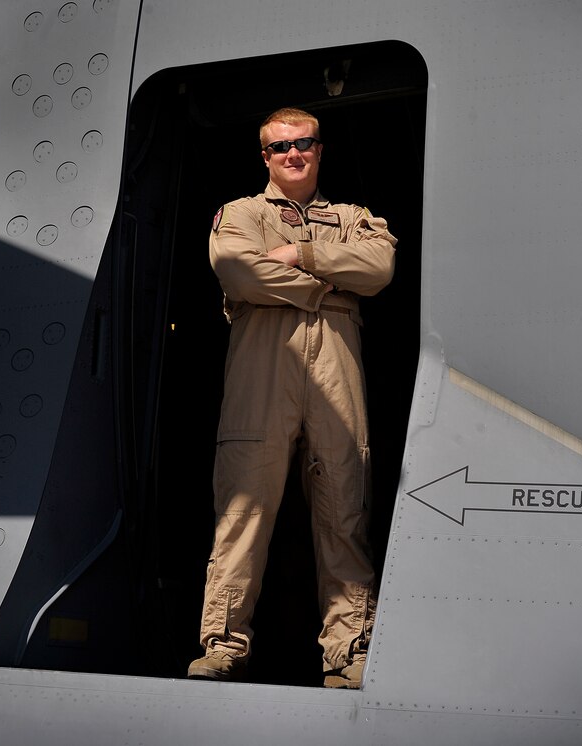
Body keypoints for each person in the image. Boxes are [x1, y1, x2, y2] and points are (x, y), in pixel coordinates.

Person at [188, 107, 396, 688]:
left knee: (343, 510)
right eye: (280, 147)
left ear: (320, 149)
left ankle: (349, 649)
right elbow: (239, 274)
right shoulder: (240, 214)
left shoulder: (354, 216)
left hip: (336, 370)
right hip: (263, 374)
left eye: (304, 143)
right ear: (265, 157)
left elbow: (379, 267)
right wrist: (327, 283)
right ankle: (223, 645)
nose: (293, 154)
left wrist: (300, 254)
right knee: (243, 511)